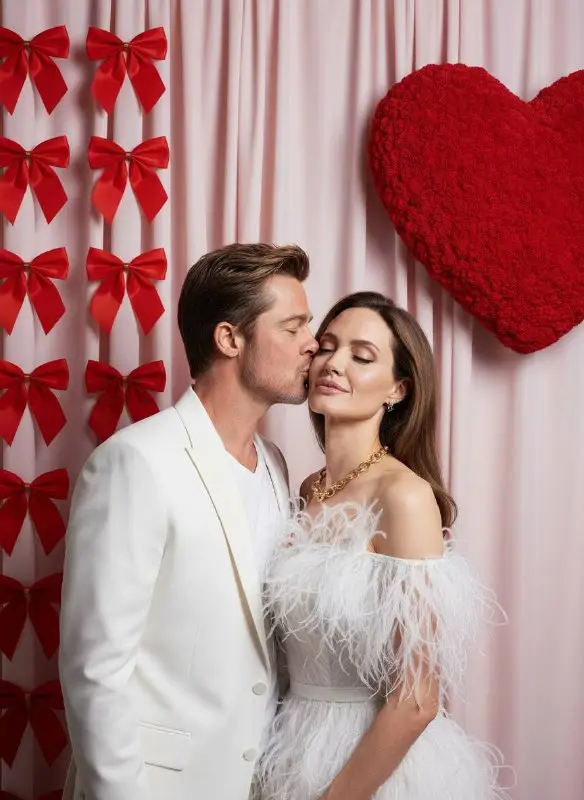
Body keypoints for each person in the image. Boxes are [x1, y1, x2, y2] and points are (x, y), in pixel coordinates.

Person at [59, 243, 318, 800]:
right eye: (293, 326)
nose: (313, 345)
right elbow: (95, 672)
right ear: (230, 338)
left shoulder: (275, 465)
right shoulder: (135, 462)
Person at [255, 291, 509, 799]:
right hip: (291, 747)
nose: (333, 363)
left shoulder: (405, 498)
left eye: (361, 356)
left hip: (375, 767)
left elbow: (417, 698)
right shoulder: (304, 488)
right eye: (326, 346)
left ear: (398, 389)